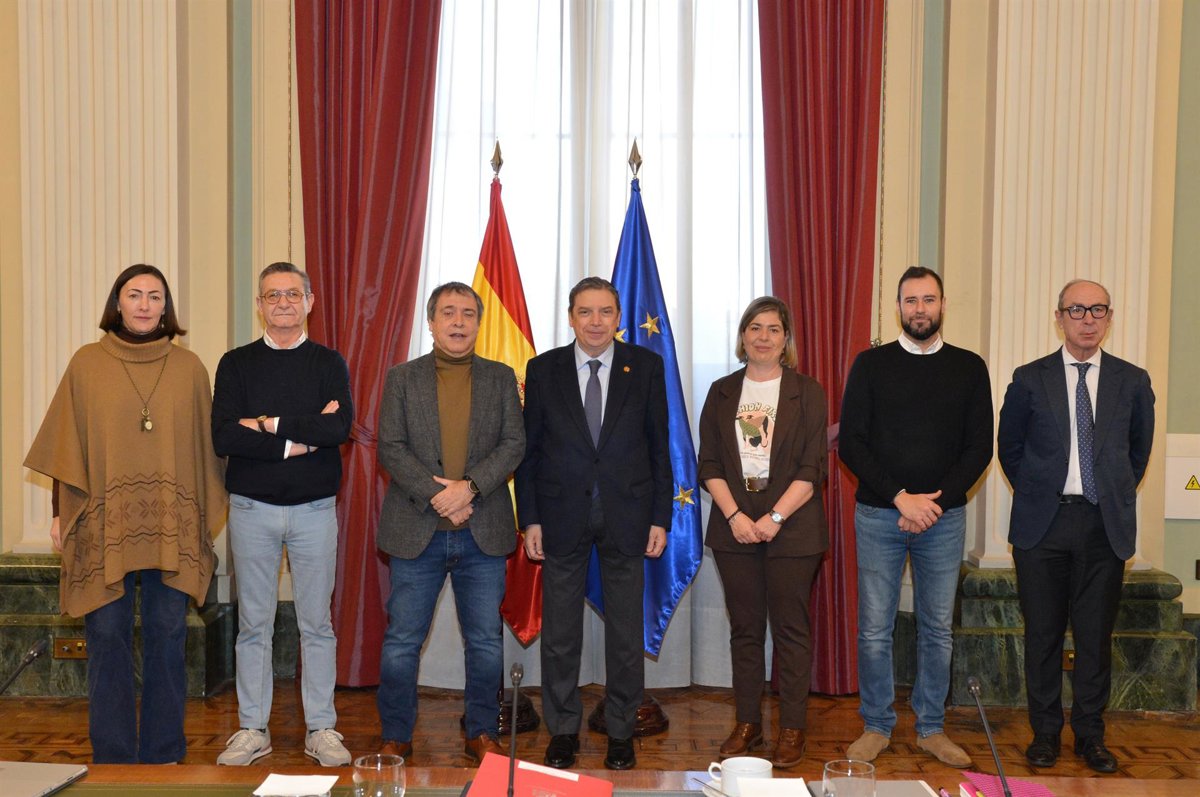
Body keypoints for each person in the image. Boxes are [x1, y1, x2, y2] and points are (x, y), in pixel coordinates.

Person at [24, 264, 225, 764]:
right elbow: (66, 444)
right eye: (134, 295)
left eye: (155, 296)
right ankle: (112, 757)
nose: (144, 305)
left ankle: (163, 754)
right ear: (117, 303)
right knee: (107, 637)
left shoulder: (190, 368)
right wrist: (60, 513)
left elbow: (206, 451)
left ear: (165, 307)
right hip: (103, 523)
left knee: (168, 636)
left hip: (170, 528)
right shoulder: (87, 363)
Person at [515, 276, 672, 771]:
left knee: (625, 635)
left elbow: (659, 447)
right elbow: (530, 452)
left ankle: (621, 732)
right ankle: (562, 730)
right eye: (585, 312)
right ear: (571, 317)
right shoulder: (543, 369)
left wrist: (660, 517)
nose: (596, 321)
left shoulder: (645, 366)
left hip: (628, 515)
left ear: (619, 317)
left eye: (605, 311)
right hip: (561, 516)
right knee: (561, 636)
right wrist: (530, 518)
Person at [839, 266, 993, 768]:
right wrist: (901, 498)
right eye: (911, 300)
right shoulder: (870, 365)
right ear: (898, 307)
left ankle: (931, 728)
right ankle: (876, 725)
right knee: (874, 629)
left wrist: (933, 505)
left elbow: (979, 448)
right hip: (879, 514)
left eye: (928, 299)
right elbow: (853, 443)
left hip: (942, 521)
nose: (920, 309)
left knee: (937, 629)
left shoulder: (970, 367)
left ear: (942, 305)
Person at [997, 279, 1154, 774]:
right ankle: (1045, 734)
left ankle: (1090, 735)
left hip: (1103, 526)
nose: (1088, 319)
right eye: (1077, 310)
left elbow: (1137, 453)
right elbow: (1010, 449)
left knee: (1094, 637)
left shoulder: (1132, 381)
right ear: (1059, 317)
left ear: (1110, 317)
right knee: (1042, 635)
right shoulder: (1029, 379)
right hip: (1042, 526)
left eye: (1098, 310)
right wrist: (1040, 491)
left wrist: (1107, 492)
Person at [210, 262, 354, 767]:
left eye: (293, 294)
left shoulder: (329, 362)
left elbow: (338, 430)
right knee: (254, 624)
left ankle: (322, 728)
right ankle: (253, 728)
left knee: (317, 625)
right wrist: (297, 441)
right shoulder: (235, 363)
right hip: (251, 509)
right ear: (260, 305)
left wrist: (267, 423)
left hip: (315, 510)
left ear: (310, 302)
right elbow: (224, 435)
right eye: (272, 295)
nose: (283, 303)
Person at [375, 282, 525, 764]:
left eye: (467, 313)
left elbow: (514, 444)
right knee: (402, 643)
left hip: (483, 533)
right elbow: (390, 446)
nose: (458, 321)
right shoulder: (402, 377)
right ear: (431, 322)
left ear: (478, 323)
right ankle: (396, 734)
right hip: (416, 531)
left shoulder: (501, 377)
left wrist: (470, 489)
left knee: (485, 642)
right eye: (448, 313)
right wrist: (441, 496)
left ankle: (481, 732)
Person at [697, 296, 828, 769]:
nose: (764, 337)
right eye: (755, 327)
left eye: (773, 328)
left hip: (793, 530)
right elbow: (708, 463)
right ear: (743, 336)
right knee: (746, 631)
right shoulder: (721, 391)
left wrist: (774, 518)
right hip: (734, 529)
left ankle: (792, 728)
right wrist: (735, 517)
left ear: (786, 338)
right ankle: (748, 724)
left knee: (791, 631)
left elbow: (813, 468)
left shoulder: (807, 392)